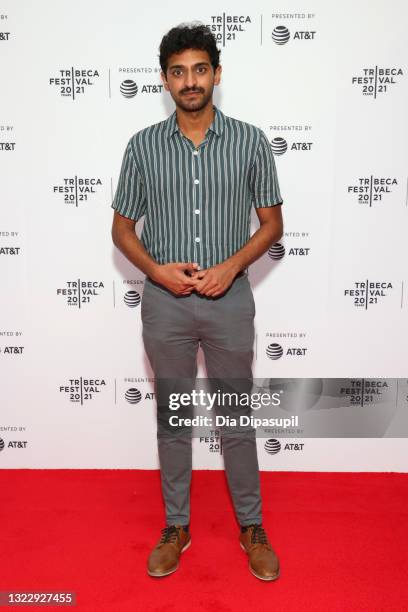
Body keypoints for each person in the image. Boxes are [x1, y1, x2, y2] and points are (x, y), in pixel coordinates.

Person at [111, 22, 284, 581]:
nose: (191, 81)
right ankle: (176, 525)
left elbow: (272, 224)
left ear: (216, 73)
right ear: (165, 79)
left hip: (231, 300)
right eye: (179, 72)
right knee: (173, 419)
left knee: (236, 418)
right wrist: (156, 271)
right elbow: (121, 230)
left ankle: (251, 527)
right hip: (165, 305)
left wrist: (232, 266)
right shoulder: (142, 146)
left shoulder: (251, 140)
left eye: (200, 69)